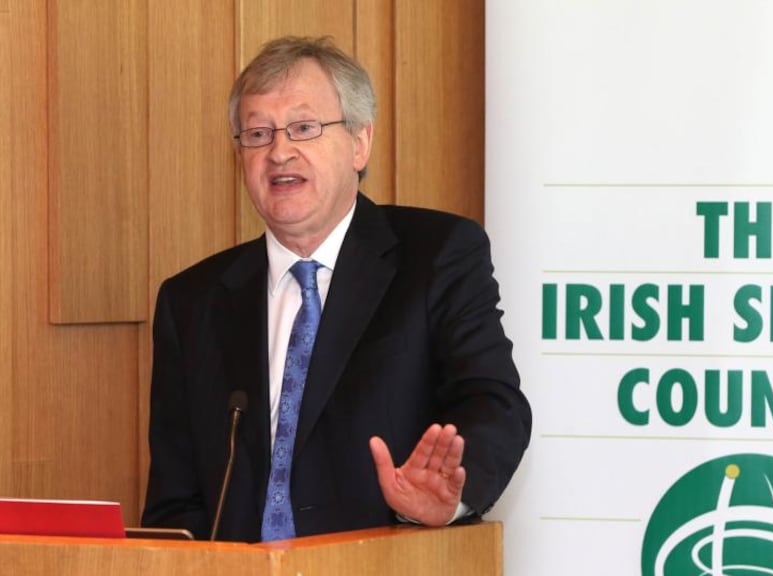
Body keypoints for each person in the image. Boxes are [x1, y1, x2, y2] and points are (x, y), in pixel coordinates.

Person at [141, 36, 531, 542]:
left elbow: (493, 402)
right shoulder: (191, 301)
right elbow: (177, 502)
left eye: (304, 128)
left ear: (359, 142)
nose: (279, 152)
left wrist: (447, 496)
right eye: (257, 134)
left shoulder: (436, 255)